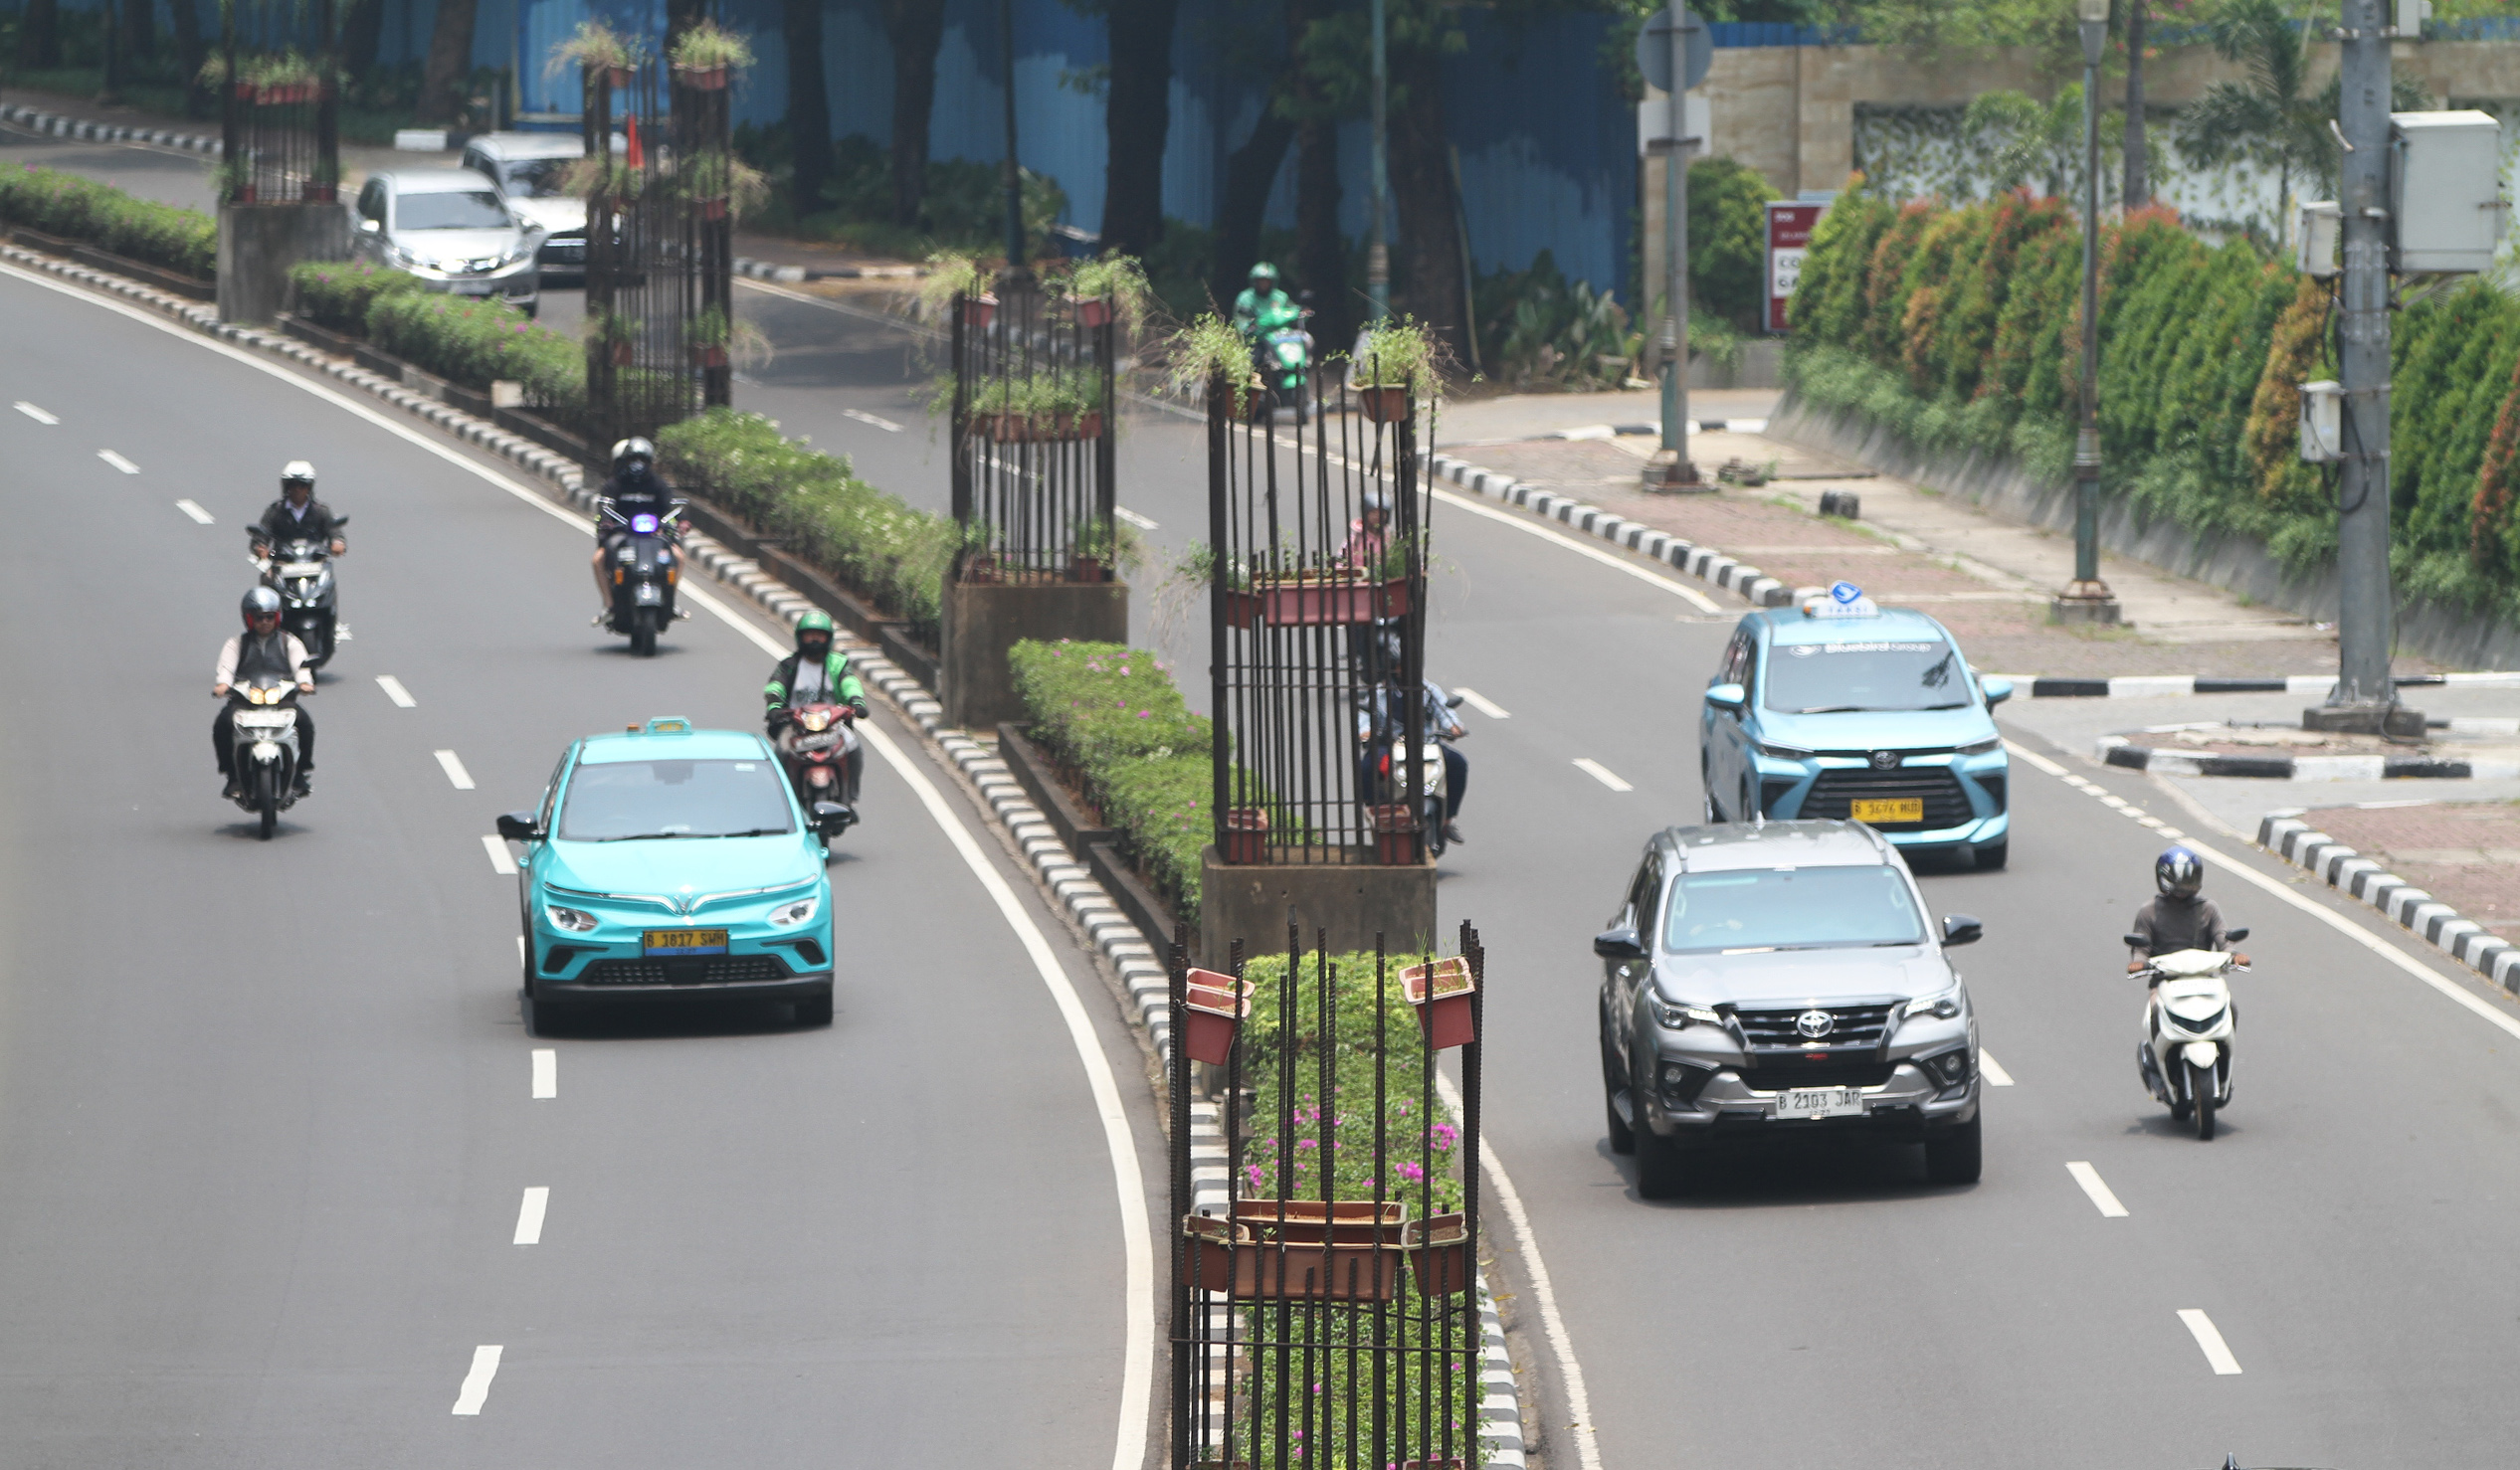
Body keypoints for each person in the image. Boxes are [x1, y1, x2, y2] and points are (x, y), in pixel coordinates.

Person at [214, 586, 316, 798]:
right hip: (245, 700)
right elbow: (226, 668)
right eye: (259, 618)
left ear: (277, 617)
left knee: (304, 723)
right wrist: (223, 684)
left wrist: (305, 683)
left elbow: (301, 666)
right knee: (222, 724)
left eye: (269, 617)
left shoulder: (290, 642)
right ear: (249, 619)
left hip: (281, 700)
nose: (264, 623)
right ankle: (232, 776)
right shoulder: (237, 643)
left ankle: (300, 773)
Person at [764, 611, 871, 807]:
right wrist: (775, 706)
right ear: (800, 637)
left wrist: (857, 702)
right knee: (780, 751)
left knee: (855, 749)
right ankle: (782, 801)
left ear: (828, 638)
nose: (814, 639)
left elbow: (850, 683)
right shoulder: (789, 665)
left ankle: (851, 797)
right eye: (809, 634)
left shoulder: (838, 664)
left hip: (834, 725)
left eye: (819, 635)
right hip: (797, 726)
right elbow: (775, 686)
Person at [1356, 672, 1468, 845]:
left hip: (1426, 743)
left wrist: (1454, 727)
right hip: (1389, 745)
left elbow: (1446, 713)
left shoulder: (1430, 691)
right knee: (1367, 767)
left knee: (1457, 763)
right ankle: (1378, 812)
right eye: (1400, 666)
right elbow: (1365, 719)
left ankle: (1447, 821)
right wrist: (1366, 732)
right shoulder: (1378, 693)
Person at [590, 437, 679, 620]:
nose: (637, 465)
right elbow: (605, 506)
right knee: (598, 560)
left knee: (679, 557)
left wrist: (680, 520)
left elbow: (671, 504)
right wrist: (607, 522)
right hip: (622, 533)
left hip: (654, 534)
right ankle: (610, 605)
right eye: (633, 460)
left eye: (642, 460)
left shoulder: (657, 484)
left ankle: (671, 600)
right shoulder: (614, 484)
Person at [2127, 846, 2250, 978]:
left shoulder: (2208, 909)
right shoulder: (2149, 911)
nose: (2184, 887)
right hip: (2163, 982)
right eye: (2181, 882)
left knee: (2226, 999)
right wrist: (2139, 963)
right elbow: (2141, 950)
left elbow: (2224, 941)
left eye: (2189, 881)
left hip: (2204, 980)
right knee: (2154, 999)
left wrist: (2234, 956)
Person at [252, 460, 347, 558]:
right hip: (281, 564)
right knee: (267, 573)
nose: (297, 489)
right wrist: (260, 546)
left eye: (302, 485)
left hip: (316, 564)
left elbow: (333, 529)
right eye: (293, 485)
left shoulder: (321, 511)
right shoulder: (275, 511)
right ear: (286, 487)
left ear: (309, 487)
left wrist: (338, 542)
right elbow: (263, 533)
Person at [1232, 262, 1301, 360]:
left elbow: (1293, 311)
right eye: (1261, 281)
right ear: (1254, 281)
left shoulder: (1281, 297)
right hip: (1257, 339)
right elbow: (1241, 322)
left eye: (1267, 281)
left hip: (1280, 338)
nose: (1263, 284)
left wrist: (1300, 314)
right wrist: (1250, 327)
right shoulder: (1245, 298)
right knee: (1253, 359)